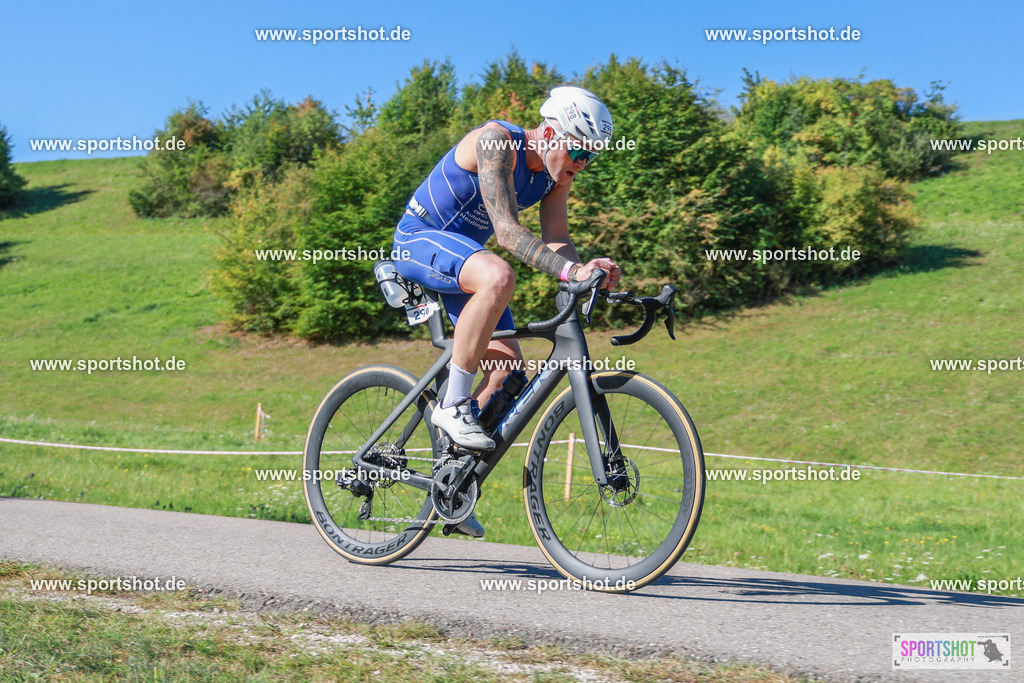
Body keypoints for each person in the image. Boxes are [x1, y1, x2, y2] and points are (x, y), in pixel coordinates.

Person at [392, 86, 620, 536]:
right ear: (550, 133)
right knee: (499, 274)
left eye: (591, 157)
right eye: (578, 151)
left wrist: (587, 272)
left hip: (465, 260)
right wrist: (569, 271)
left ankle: (451, 484)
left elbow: (557, 239)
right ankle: (453, 405)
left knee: (508, 375)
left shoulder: (556, 176)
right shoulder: (497, 140)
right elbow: (508, 234)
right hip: (419, 240)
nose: (581, 164)